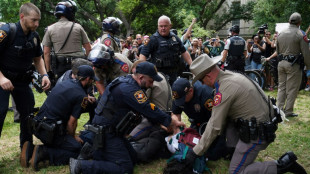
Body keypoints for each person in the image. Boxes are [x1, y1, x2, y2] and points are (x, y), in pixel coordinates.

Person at [184, 54, 306, 174]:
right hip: (261, 123)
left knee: (236, 171)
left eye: (201, 80)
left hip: (257, 133)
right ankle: (234, 152)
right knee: (228, 120)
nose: (202, 84)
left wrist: (196, 152)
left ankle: (284, 165)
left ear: (208, 76)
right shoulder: (231, 76)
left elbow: (214, 125)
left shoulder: (224, 89)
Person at [69, 61, 185, 174]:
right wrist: (171, 122)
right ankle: (81, 166)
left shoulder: (128, 82)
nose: (152, 84)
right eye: (151, 81)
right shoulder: (129, 89)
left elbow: (149, 107)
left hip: (113, 131)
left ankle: (97, 151)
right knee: (125, 168)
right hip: (106, 133)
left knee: (133, 157)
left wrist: (169, 120)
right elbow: (147, 109)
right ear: (141, 78)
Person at [21, 65, 98, 171]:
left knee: (70, 144)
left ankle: (30, 149)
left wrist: (85, 97)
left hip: (38, 125)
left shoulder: (66, 82)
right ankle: (44, 152)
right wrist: (73, 137)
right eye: (92, 80)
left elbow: (70, 97)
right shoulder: (81, 96)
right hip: (50, 132)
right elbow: (72, 123)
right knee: (78, 149)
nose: (93, 82)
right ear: (88, 79)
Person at [0, 2, 51, 159]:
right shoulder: (7, 32)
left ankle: (26, 149)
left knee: (28, 116)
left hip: (22, 81)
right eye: (33, 20)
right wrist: (1, 78)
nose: (36, 24)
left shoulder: (34, 36)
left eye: (38, 21)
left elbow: (38, 58)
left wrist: (44, 75)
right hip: (3, 80)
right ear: (22, 17)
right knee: (0, 113)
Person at [171, 78, 230, 161]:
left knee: (212, 155)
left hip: (213, 124)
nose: (181, 102)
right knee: (189, 146)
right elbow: (175, 113)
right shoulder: (179, 95)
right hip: (197, 123)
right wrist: (177, 126)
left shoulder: (206, 95)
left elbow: (217, 119)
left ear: (190, 91)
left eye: (183, 99)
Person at [42, 0, 91, 82]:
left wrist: (48, 71)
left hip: (60, 66)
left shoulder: (50, 29)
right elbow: (88, 48)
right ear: (70, 12)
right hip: (78, 64)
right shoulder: (78, 27)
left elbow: (46, 52)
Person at [139, 15, 192, 85]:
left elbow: (184, 52)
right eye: (161, 26)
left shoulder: (175, 38)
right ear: (158, 26)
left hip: (174, 74)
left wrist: (192, 65)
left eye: (165, 26)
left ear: (170, 26)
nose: (163, 28)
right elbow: (142, 55)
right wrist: (144, 72)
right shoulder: (152, 39)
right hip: (159, 74)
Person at [276, 12, 310, 117]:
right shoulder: (300, 34)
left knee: (281, 87)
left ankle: (279, 110)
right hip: (293, 65)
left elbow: (277, 51)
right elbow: (305, 52)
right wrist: (308, 66)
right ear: (299, 22)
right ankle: (288, 111)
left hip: (281, 63)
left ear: (289, 21)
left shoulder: (280, 33)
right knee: (292, 88)